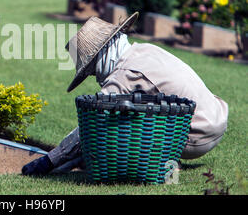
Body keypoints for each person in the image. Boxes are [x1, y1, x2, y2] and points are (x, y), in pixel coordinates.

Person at [22, 13, 229, 176]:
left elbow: (89, 126)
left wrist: (49, 161)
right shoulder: (143, 49)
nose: (95, 77)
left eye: (92, 71)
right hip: (217, 116)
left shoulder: (124, 75)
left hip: (197, 136)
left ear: (99, 58)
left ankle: (162, 162)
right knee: (135, 108)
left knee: (113, 127)